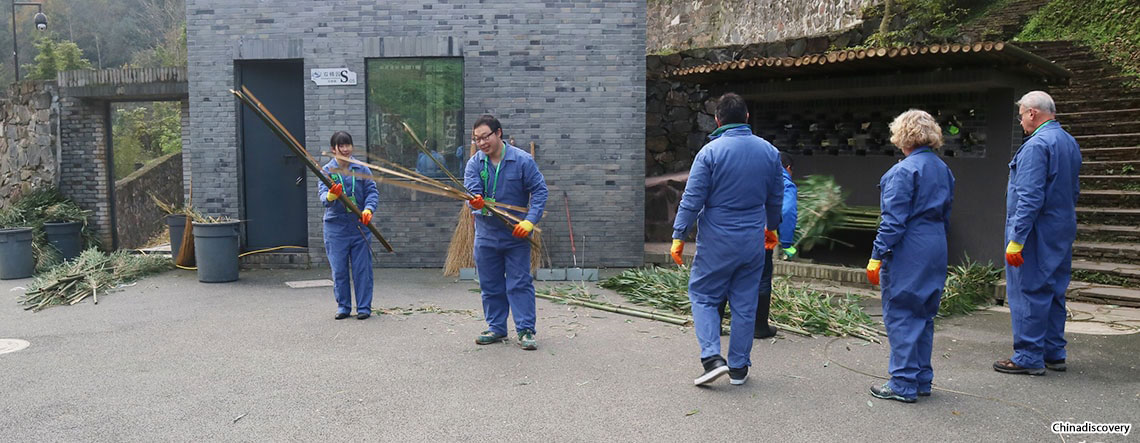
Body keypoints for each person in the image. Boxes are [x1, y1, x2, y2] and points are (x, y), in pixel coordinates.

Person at [671, 93, 783, 386]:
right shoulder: (770, 152)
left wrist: (678, 235)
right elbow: (776, 198)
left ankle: (711, 358)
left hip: (718, 241)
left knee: (704, 295)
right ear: (746, 117)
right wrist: (771, 228)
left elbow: (692, 200)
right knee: (745, 303)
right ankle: (738, 368)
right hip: (752, 241)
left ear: (718, 120)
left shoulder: (710, 153)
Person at [865, 109, 955, 403]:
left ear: (902, 136)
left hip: (909, 247)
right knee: (924, 314)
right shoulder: (943, 169)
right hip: (935, 243)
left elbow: (893, 221)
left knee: (902, 312)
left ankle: (903, 382)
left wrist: (877, 255)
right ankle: (921, 379)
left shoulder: (903, 171)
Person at [994, 91, 1081, 376]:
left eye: (1021, 116)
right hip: (1060, 227)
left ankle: (1029, 355)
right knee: (1054, 290)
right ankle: (1053, 352)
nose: (1020, 122)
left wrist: (1017, 239)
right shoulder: (1068, 142)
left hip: (1035, 232)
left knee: (1028, 290)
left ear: (1032, 113)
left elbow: (1029, 197)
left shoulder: (1036, 146)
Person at [463, 115, 549, 350]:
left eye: (485, 137)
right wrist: (475, 202)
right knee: (490, 284)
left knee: (519, 283)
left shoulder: (522, 160)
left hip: (516, 234)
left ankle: (525, 330)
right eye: (476, 139)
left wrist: (530, 221)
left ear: (498, 133)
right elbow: (471, 191)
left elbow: (540, 192)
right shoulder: (474, 164)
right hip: (486, 234)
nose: (481, 143)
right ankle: (496, 328)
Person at [717, 151, 797, 339]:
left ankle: (715, 325)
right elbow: (787, 211)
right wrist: (786, 242)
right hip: (760, 239)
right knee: (761, 280)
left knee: (725, 277)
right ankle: (759, 327)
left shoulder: (745, 173)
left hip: (730, 235)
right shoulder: (784, 182)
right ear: (788, 168)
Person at [317, 131, 379, 320]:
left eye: (348, 145)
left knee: (362, 270)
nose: (345, 149)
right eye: (341, 146)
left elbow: (371, 192)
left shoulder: (361, 169)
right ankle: (343, 306)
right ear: (333, 149)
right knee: (340, 269)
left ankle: (364, 308)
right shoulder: (326, 171)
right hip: (335, 228)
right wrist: (330, 196)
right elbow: (322, 197)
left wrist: (369, 209)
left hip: (359, 226)